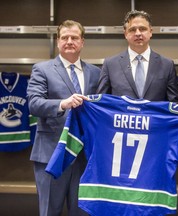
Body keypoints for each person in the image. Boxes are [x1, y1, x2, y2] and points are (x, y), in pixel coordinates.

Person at [27, 20, 101, 216]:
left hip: (85, 157)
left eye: (74, 37)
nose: (69, 41)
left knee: (83, 212)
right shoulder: (42, 69)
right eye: (65, 37)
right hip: (51, 155)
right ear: (58, 41)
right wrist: (62, 104)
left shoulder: (96, 73)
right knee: (50, 210)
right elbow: (33, 104)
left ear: (82, 42)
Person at [96, 10, 178, 102]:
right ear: (125, 34)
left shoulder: (167, 65)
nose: (138, 33)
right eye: (132, 30)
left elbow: (174, 103)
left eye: (142, 29)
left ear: (150, 32)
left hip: (154, 116)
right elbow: (102, 101)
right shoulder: (110, 65)